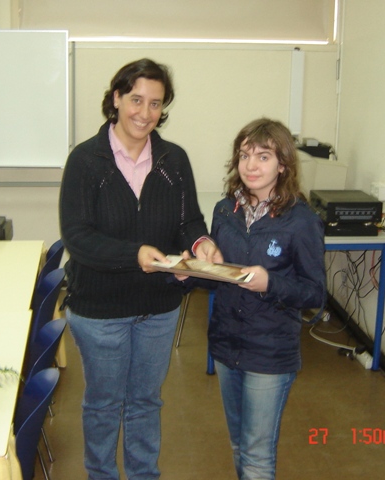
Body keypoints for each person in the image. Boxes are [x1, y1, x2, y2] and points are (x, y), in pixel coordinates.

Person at [59, 58, 222, 480]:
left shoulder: (174, 160)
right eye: (136, 99)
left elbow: (189, 221)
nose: (144, 113)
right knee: (104, 404)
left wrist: (201, 243)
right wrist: (135, 254)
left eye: (155, 103)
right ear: (116, 98)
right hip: (100, 311)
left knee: (146, 401)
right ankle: (101, 474)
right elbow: (78, 237)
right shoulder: (85, 161)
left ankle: (144, 474)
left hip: (158, 308)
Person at [206, 118, 326, 479]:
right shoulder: (225, 210)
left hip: (270, 352)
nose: (251, 166)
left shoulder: (301, 220)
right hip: (226, 345)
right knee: (238, 445)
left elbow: (315, 292)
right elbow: (217, 277)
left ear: (283, 165)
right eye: (244, 156)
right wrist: (188, 271)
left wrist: (270, 283)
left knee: (257, 456)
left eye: (263, 157)